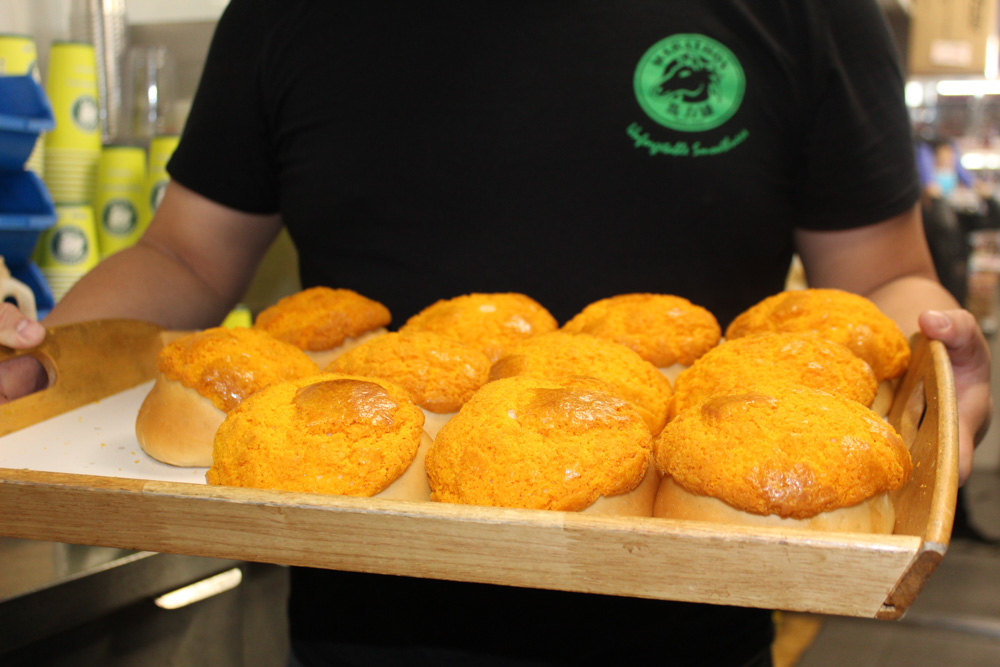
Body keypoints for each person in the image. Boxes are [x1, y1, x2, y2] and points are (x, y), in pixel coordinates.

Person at [0, 1, 993, 664]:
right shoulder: (289, 12)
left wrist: (935, 372)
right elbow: (184, 255)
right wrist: (47, 365)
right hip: (360, 614)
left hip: (693, 607)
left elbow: (874, 280)